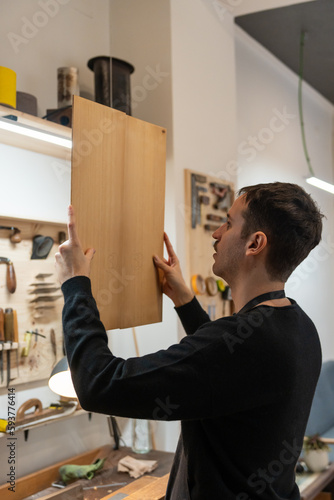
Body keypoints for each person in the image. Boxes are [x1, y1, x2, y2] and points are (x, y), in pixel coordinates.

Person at [55, 181, 324, 500]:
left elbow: (98, 384)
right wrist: (185, 301)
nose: (216, 234)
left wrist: (75, 288)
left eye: (228, 222)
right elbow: (224, 374)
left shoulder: (241, 346)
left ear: (254, 243)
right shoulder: (300, 326)